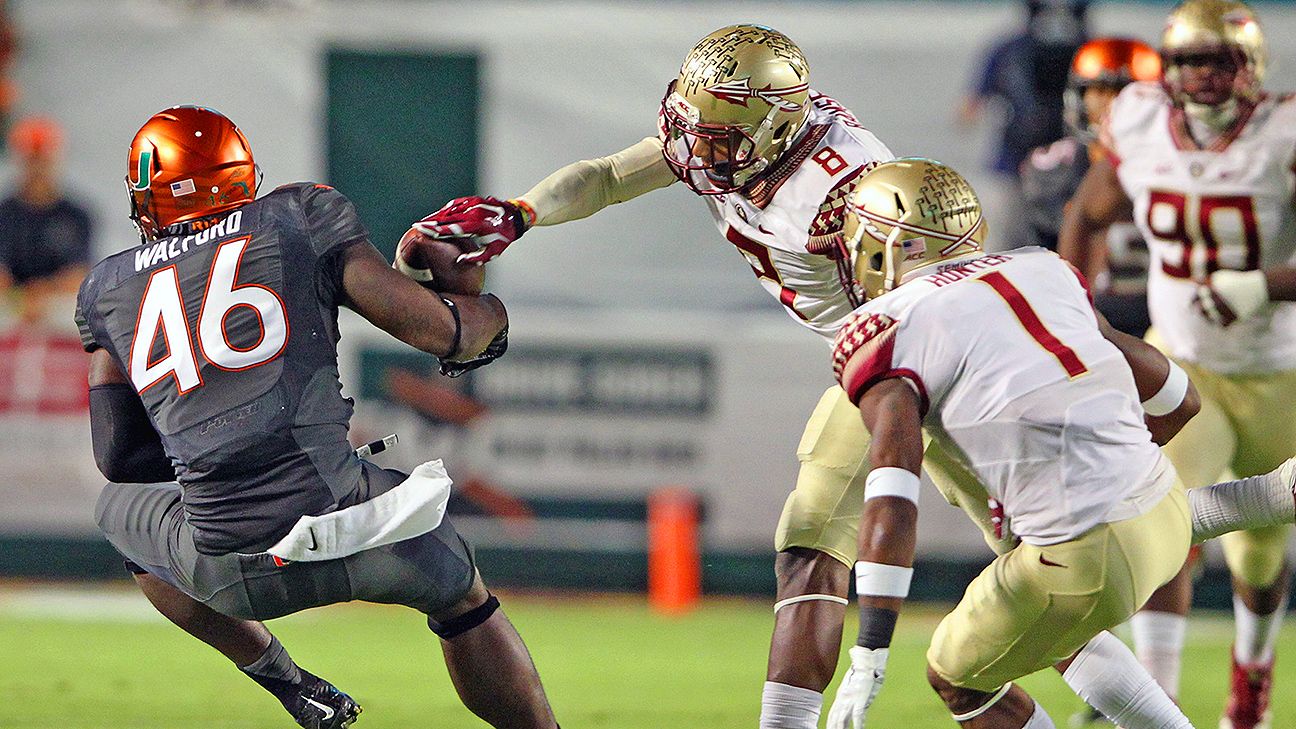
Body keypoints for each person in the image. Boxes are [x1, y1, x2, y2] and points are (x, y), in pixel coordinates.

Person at [413, 24, 1012, 729]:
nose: (698, 147)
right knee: (818, 544)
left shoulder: (843, 193)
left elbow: (933, 293)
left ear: (776, 129)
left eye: (720, 135)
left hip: (926, 364)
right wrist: (521, 213)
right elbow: (608, 175)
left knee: (1041, 560)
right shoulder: (747, 141)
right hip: (875, 361)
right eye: (698, 123)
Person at [76, 106, 553, 729]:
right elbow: (444, 333)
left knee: (117, 512)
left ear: (152, 197)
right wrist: (486, 308)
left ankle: (291, 684)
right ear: (240, 176)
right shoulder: (298, 213)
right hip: (358, 529)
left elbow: (119, 458)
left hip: (228, 568)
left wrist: (213, 442)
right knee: (465, 600)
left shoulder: (107, 287)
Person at [823, 157, 1296, 729]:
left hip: (1078, 555)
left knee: (959, 675)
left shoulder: (888, 328)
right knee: (1057, 634)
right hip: (1162, 513)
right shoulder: (1041, 270)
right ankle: (1267, 495)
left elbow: (893, 488)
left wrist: (870, 649)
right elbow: (1178, 395)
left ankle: (1258, 496)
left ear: (890, 248)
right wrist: (1116, 472)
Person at [1058, 2, 1295, 726]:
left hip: (1277, 370)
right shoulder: (1136, 120)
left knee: (1259, 551)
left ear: (1250, 68)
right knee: (1159, 512)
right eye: (1188, 61)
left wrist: (1261, 285)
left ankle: (1251, 673)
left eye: (1218, 61)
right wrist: (1073, 314)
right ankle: (1153, 697)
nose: (1201, 78)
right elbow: (1087, 213)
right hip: (1182, 361)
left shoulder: (1283, 133)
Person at [1020, 37, 1159, 337]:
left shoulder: (1179, 166)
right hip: (1084, 321)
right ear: (1079, 96)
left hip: (1164, 321)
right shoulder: (1056, 167)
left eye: (1128, 93)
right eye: (1100, 91)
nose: (1113, 105)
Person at [957, 0, 1089, 251]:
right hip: (1018, 165)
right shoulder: (1009, 52)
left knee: (1063, 243)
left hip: (1067, 169)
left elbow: (966, 111)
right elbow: (968, 109)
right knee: (1015, 242)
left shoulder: (1009, 50)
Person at [0, 116, 94, 322]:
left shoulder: (77, 215)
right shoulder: (5, 214)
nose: (37, 169)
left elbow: (80, 275)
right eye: (31, 161)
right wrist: (21, 298)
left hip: (58, 311)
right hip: (11, 310)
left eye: (42, 161)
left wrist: (44, 293)